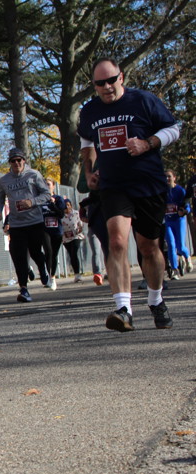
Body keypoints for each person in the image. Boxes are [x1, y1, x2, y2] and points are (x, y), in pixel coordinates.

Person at [78, 58, 181, 331]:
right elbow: (86, 141)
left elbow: (174, 129)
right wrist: (89, 171)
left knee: (149, 247)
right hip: (113, 186)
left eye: (111, 80)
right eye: (100, 83)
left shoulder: (143, 101)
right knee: (116, 242)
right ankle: (123, 309)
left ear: (121, 77)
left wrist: (148, 143)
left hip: (148, 184)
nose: (107, 87)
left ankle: (156, 300)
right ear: (94, 85)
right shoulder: (90, 111)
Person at [0, 148, 54, 302]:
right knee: (18, 255)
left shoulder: (33, 175)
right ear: (10, 163)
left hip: (35, 221)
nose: (16, 163)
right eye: (13, 161)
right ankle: (24, 289)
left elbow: (46, 194)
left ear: (24, 161)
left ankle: (43, 269)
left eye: (19, 160)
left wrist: (31, 202)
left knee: (35, 252)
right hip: (16, 223)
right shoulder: (5, 180)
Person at [163, 170, 190, 279]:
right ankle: (174, 270)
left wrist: (184, 211)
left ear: (174, 177)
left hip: (179, 221)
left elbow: (187, 205)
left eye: (169, 176)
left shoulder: (180, 190)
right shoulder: (163, 191)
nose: (167, 179)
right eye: (165, 177)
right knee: (171, 244)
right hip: (168, 221)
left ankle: (187, 257)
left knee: (180, 247)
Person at [42, 179, 67, 280]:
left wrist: (53, 204)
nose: (46, 186)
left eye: (48, 184)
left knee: (54, 254)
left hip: (56, 230)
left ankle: (52, 276)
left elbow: (61, 214)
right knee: (48, 251)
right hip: (44, 229)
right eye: (44, 184)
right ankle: (48, 276)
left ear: (53, 186)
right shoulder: (39, 198)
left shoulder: (58, 199)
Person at [61, 200, 86, 282]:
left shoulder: (76, 213)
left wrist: (80, 228)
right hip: (66, 238)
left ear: (71, 206)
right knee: (71, 255)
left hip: (76, 236)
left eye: (68, 205)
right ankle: (76, 273)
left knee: (74, 252)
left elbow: (80, 223)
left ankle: (78, 274)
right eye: (65, 205)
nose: (67, 207)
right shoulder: (60, 215)